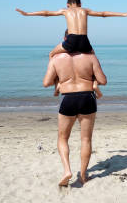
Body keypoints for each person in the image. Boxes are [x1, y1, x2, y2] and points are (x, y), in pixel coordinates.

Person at [43, 51, 107, 186]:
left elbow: (46, 83)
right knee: (86, 139)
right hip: (87, 97)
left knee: (62, 138)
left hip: (68, 98)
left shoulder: (57, 58)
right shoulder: (90, 57)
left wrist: (57, 76)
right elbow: (103, 81)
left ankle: (67, 171)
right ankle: (83, 176)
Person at [16, 0, 127, 58]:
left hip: (71, 40)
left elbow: (46, 13)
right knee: (93, 58)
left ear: (68, 5)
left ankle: (57, 85)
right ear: (80, 4)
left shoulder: (65, 10)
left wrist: (27, 14)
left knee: (51, 54)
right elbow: (103, 14)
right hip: (84, 40)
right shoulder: (85, 10)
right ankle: (94, 84)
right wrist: (123, 14)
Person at [53, 29, 103, 99]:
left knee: (57, 69)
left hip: (67, 89)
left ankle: (57, 85)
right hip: (85, 88)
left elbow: (52, 56)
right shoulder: (85, 47)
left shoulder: (61, 49)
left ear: (65, 38)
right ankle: (94, 84)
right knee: (92, 69)